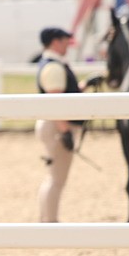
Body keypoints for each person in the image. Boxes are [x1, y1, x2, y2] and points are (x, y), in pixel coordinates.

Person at [34, 26, 90, 222]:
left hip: (53, 125)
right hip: (58, 126)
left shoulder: (53, 64)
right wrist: (65, 130)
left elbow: (62, 93)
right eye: (65, 40)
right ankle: (50, 221)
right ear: (56, 42)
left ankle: (46, 218)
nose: (68, 43)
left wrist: (83, 86)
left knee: (53, 176)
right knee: (57, 179)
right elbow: (55, 101)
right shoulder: (55, 67)